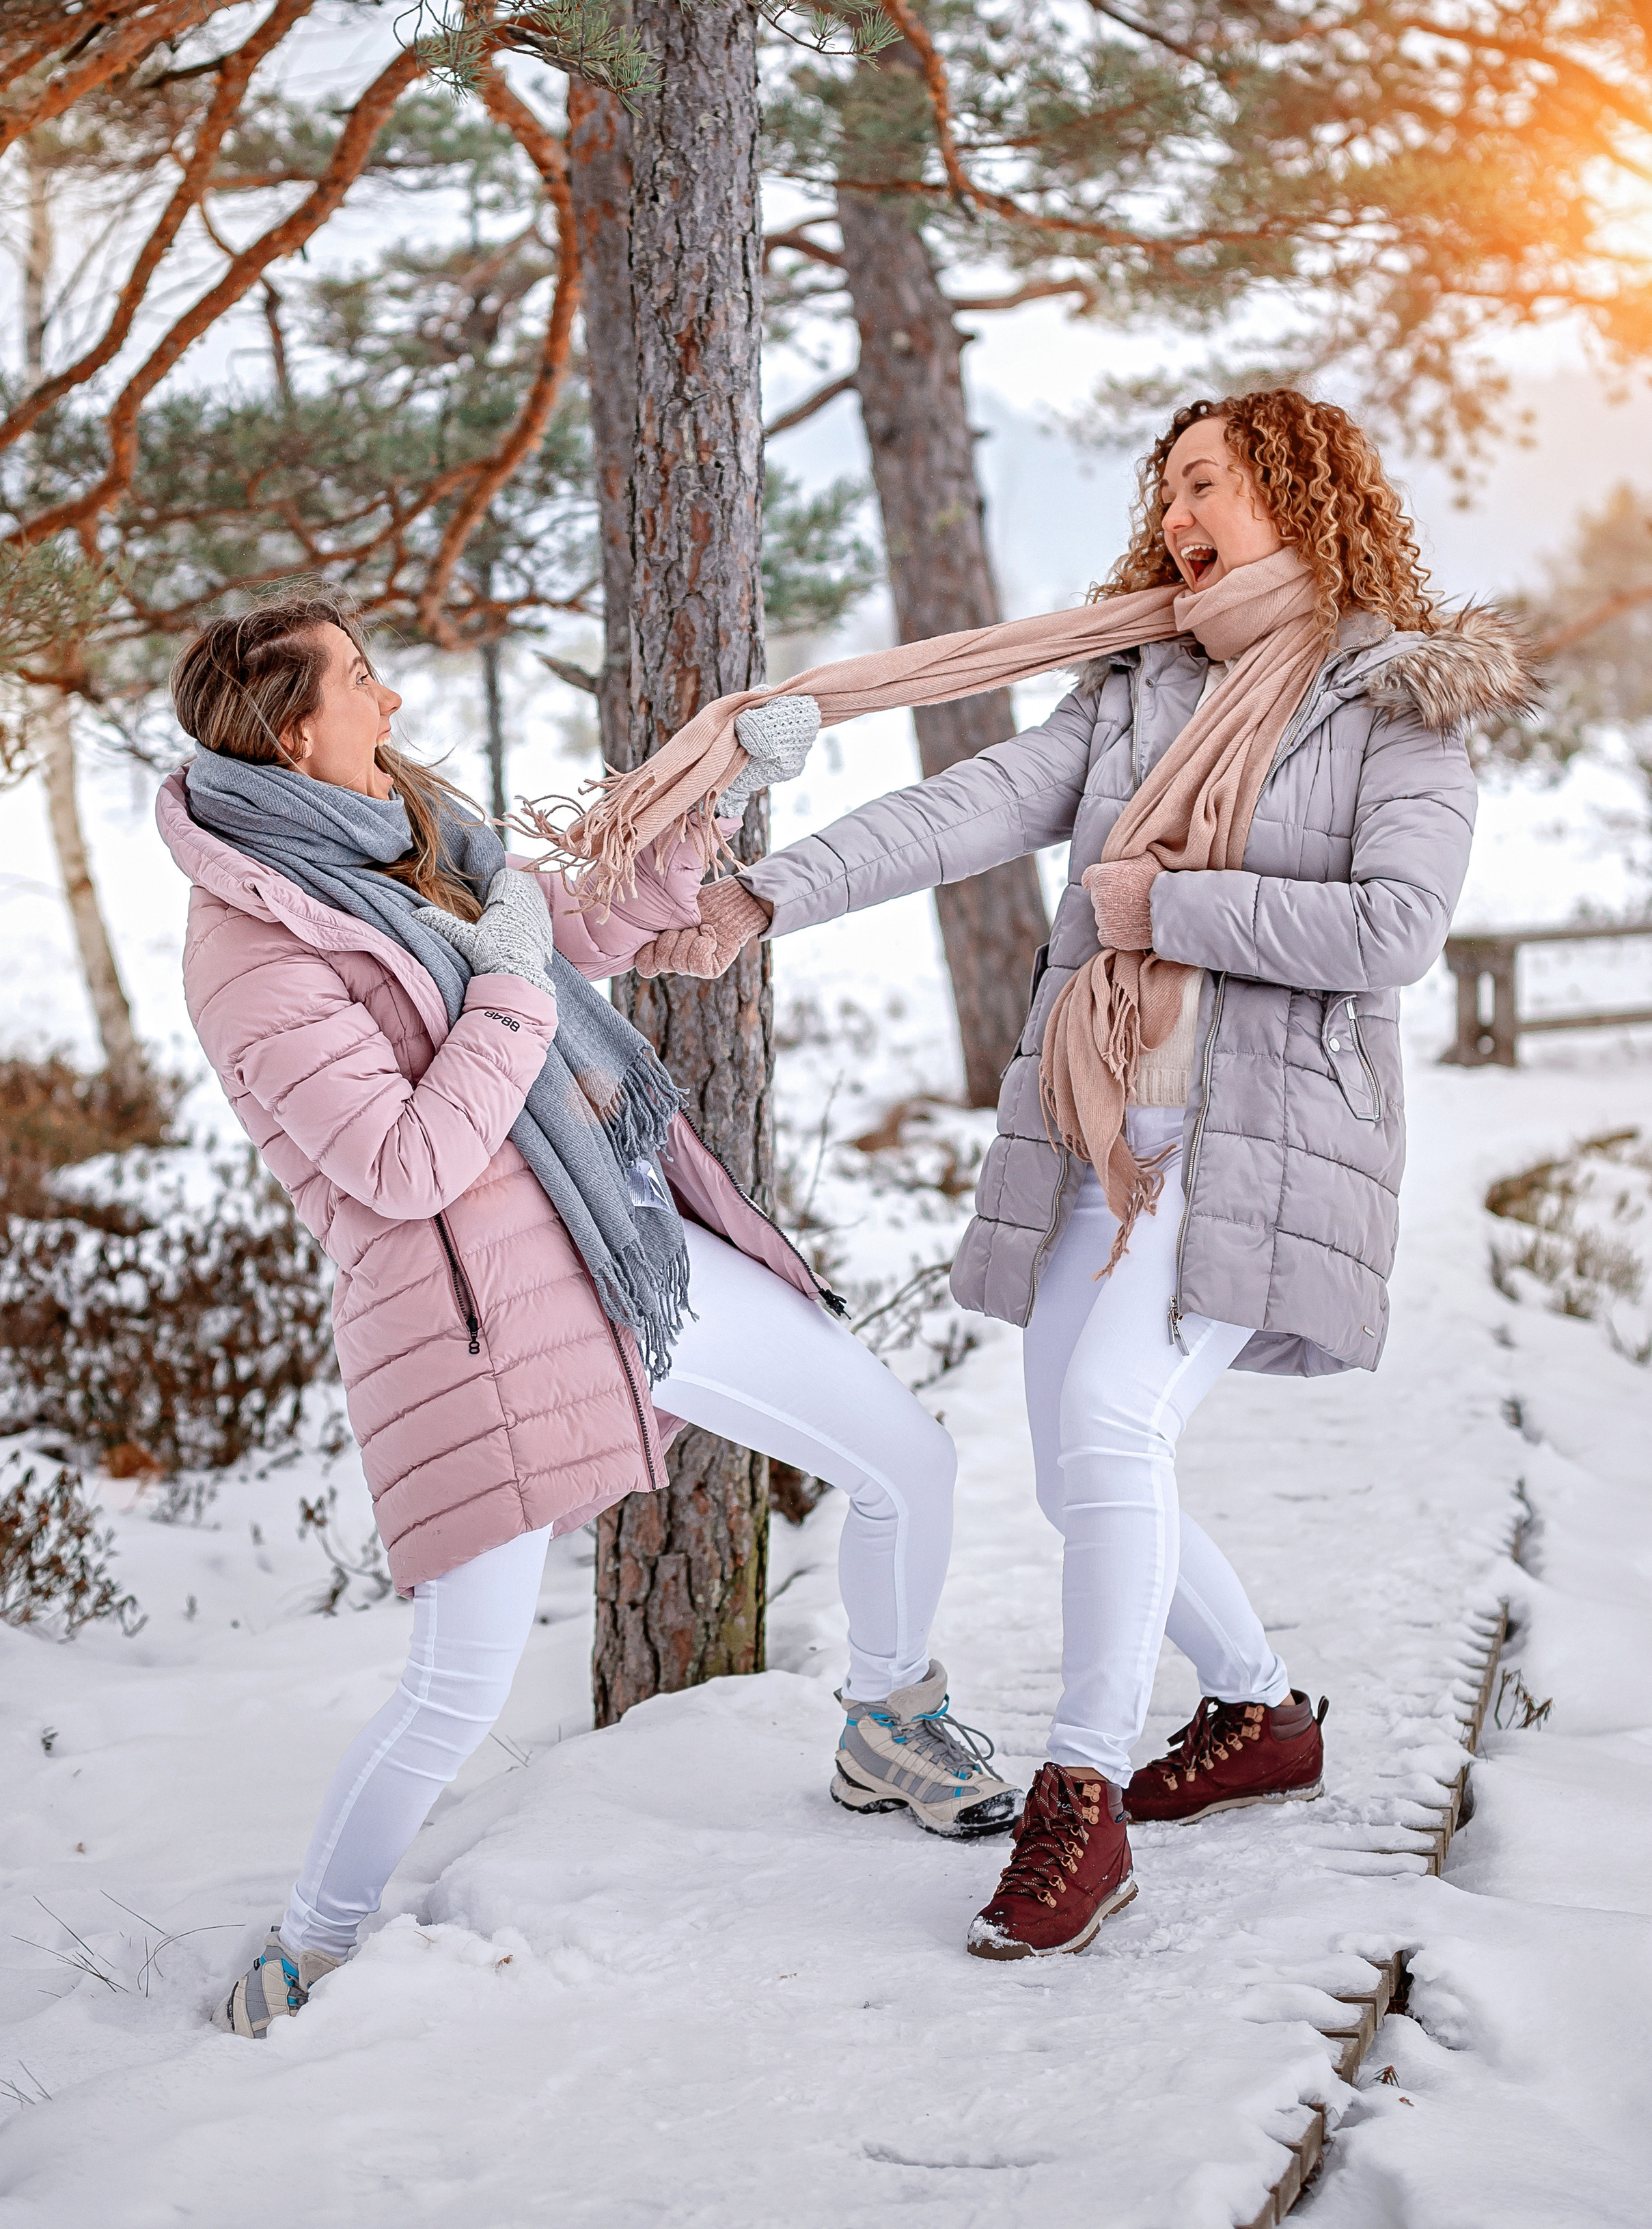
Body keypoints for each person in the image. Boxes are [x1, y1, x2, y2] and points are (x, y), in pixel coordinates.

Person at [628, 390, 1531, 1962]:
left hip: (1258, 1133)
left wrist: (1162, 906)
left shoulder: (1397, 697)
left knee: (1107, 1428)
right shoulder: (1142, 682)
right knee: (1073, 1468)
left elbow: (1392, 929)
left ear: (1301, 496)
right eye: (1167, 489)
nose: (1179, 519)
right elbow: (971, 804)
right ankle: (1254, 1711)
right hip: (1108, 1126)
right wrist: (767, 897)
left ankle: (1083, 1793)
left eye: (1209, 485)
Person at [157, 595, 1021, 2038]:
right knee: (454, 1688)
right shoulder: (255, 946)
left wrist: (716, 793)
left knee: (904, 1459)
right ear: (292, 728)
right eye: (359, 680)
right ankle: (304, 1954)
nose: (391, 695)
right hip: (486, 1327)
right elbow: (402, 1163)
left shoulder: (405, 834)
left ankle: (887, 1720)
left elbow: (580, 936)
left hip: (627, 1249)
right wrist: (501, 983)